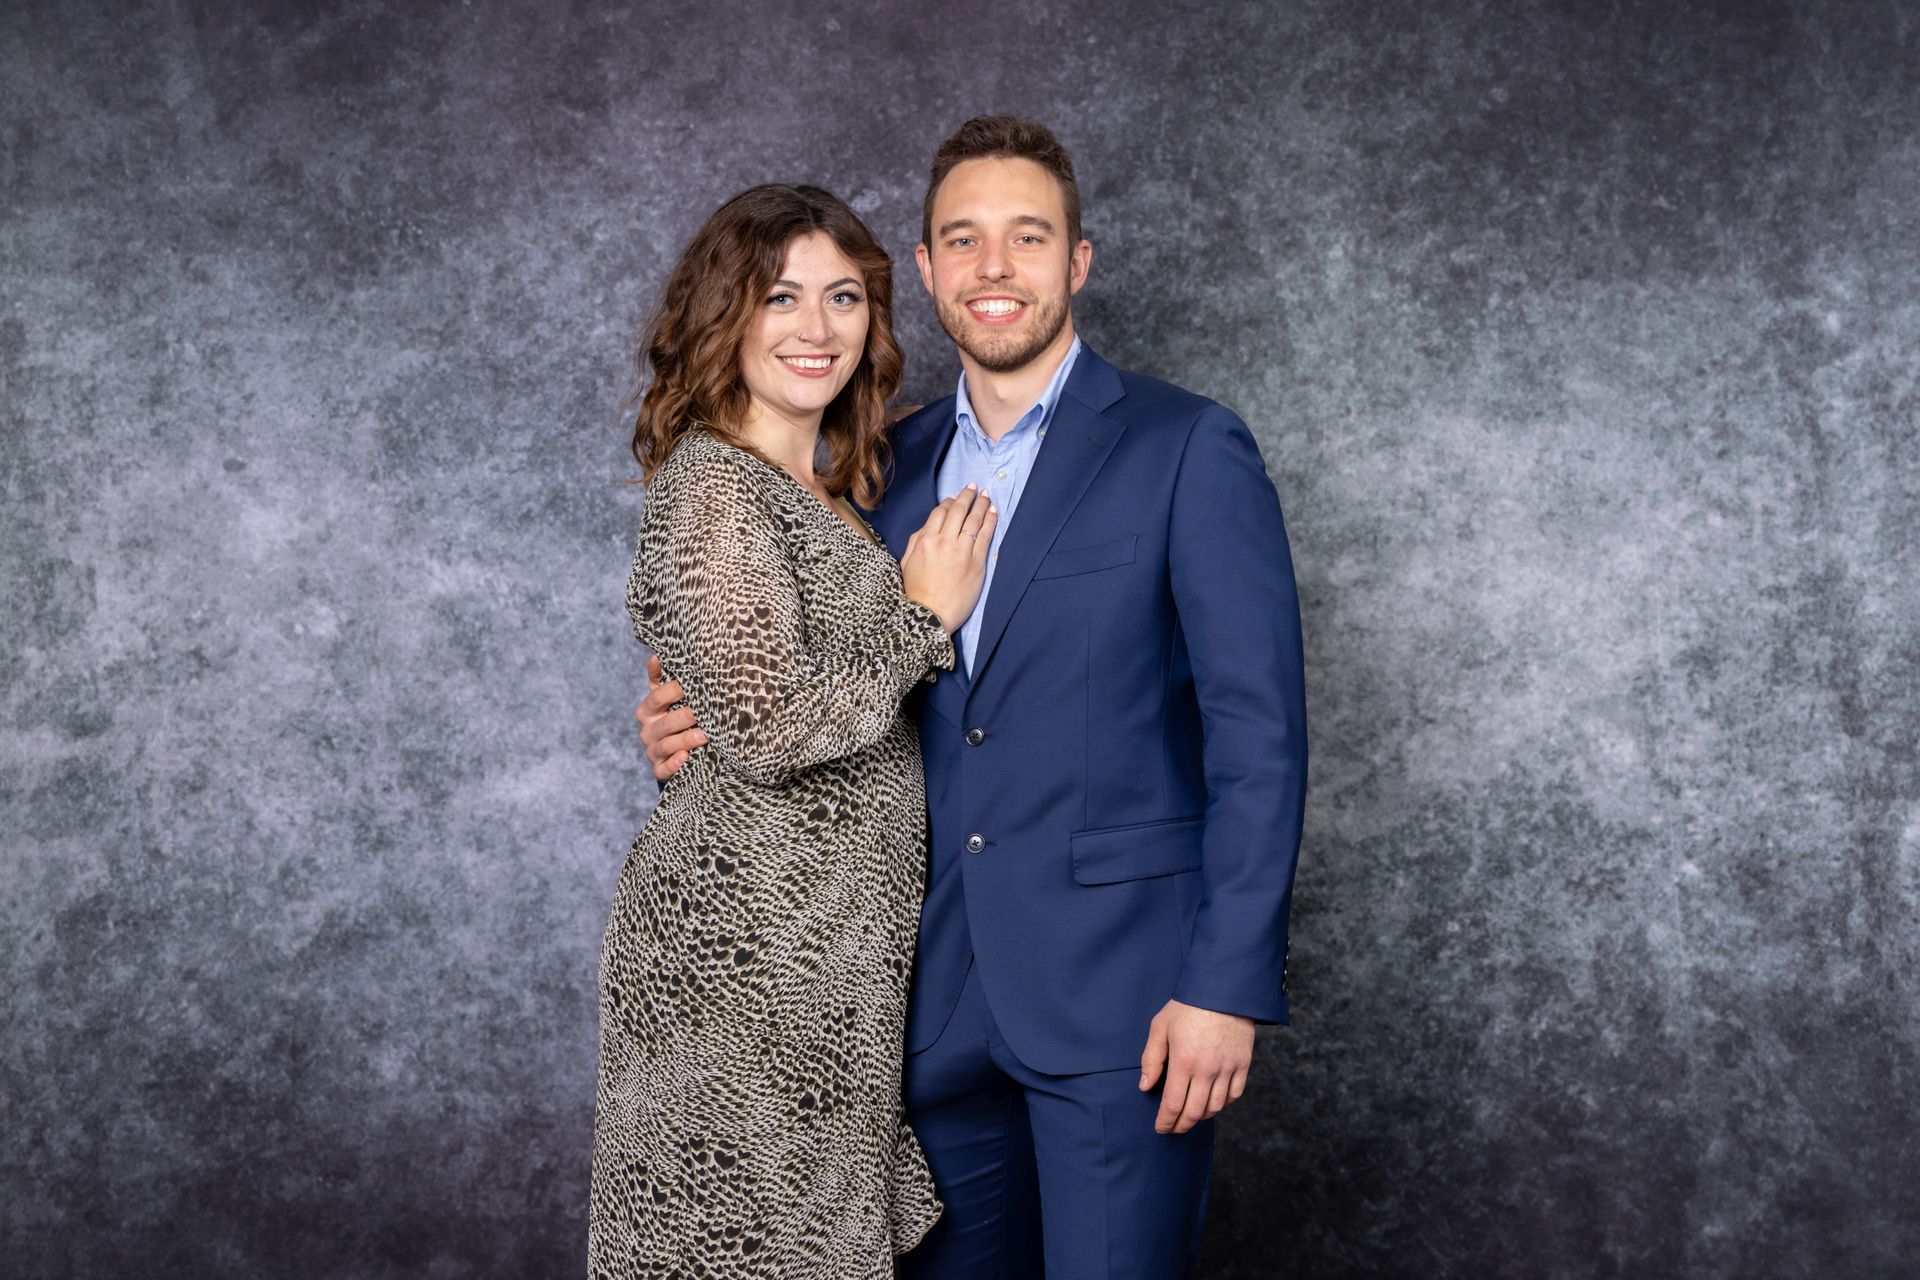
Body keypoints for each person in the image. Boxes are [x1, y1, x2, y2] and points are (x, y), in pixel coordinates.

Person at [637, 118, 1308, 1279]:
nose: (995, 267)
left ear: (1077, 261)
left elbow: (1259, 735)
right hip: (918, 1002)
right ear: (929, 267)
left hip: (1125, 1003)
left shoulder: (1186, 446)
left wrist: (1225, 982)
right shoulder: (872, 470)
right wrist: (687, 722)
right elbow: (801, 685)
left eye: (1027, 236)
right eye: (964, 239)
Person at [593, 182, 1000, 1279]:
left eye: (843, 297)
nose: (817, 328)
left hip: (830, 957)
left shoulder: (826, 491)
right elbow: (771, 729)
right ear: (725, 313)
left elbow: (746, 700)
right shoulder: (714, 486)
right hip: (743, 960)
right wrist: (922, 618)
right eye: (781, 297)